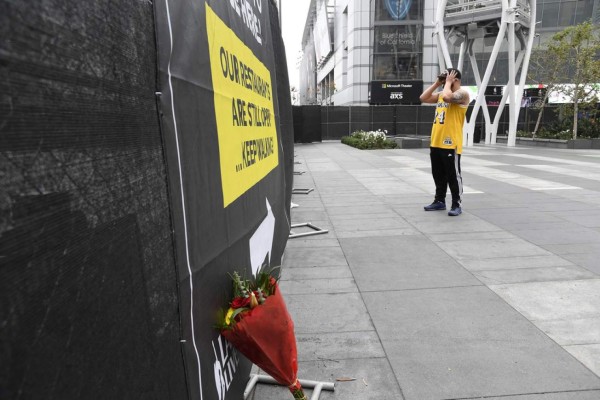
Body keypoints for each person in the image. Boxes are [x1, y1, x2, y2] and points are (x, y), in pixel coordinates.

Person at [419, 68, 470, 216]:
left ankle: (456, 204)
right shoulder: (442, 93)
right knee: (438, 174)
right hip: (436, 141)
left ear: (455, 79)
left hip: (450, 142)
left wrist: (448, 83)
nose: (444, 81)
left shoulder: (463, 94)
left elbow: (448, 98)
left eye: (447, 78)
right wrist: (437, 83)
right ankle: (439, 201)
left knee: (453, 175)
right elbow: (423, 98)